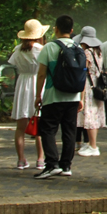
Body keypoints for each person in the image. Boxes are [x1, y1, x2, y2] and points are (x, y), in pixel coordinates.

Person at [33, 15, 82, 179]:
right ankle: (66, 165)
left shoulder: (49, 47)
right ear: (72, 30)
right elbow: (82, 75)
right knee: (69, 132)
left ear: (56, 29)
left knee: (47, 130)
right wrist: (80, 97)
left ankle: (51, 164)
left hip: (53, 96)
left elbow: (41, 74)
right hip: (73, 97)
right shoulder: (78, 48)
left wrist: (38, 95)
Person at [8, 19, 46, 170]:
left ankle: (21, 159)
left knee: (20, 127)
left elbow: (14, 64)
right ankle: (40, 159)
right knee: (39, 126)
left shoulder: (18, 49)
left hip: (22, 84)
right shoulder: (41, 49)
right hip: (37, 83)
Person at [75, 26, 105, 156]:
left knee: (90, 116)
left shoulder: (87, 53)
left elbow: (83, 71)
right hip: (97, 84)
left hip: (88, 86)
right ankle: (92, 144)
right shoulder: (98, 52)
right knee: (95, 115)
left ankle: (93, 146)